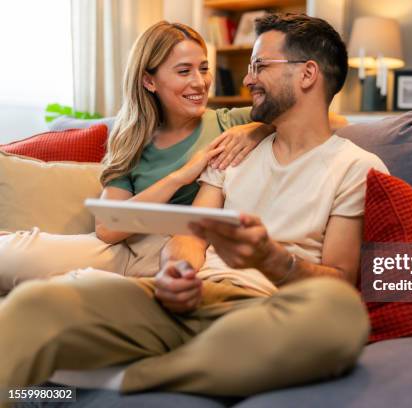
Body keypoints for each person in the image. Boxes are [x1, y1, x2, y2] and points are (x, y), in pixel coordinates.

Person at [0, 13, 387, 397]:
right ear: (149, 81)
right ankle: (195, 365)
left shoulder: (356, 166)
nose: (246, 78)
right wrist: (177, 273)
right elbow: (192, 234)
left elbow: (340, 281)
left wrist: (269, 257)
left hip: (267, 310)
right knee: (39, 302)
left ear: (307, 75)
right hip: (193, 297)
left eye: (259, 66)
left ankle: (130, 378)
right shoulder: (229, 153)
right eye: (249, 67)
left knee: (341, 314)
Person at [0, 21, 343, 295]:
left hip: (181, 253)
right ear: (150, 80)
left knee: (71, 293)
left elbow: (323, 119)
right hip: (120, 250)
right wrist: (184, 174)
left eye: (204, 68)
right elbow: (107, 229)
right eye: (183, 72)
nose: (200, 82)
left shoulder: (228, 122)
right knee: (10, 254)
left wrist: (254, 130)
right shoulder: (130, 136)